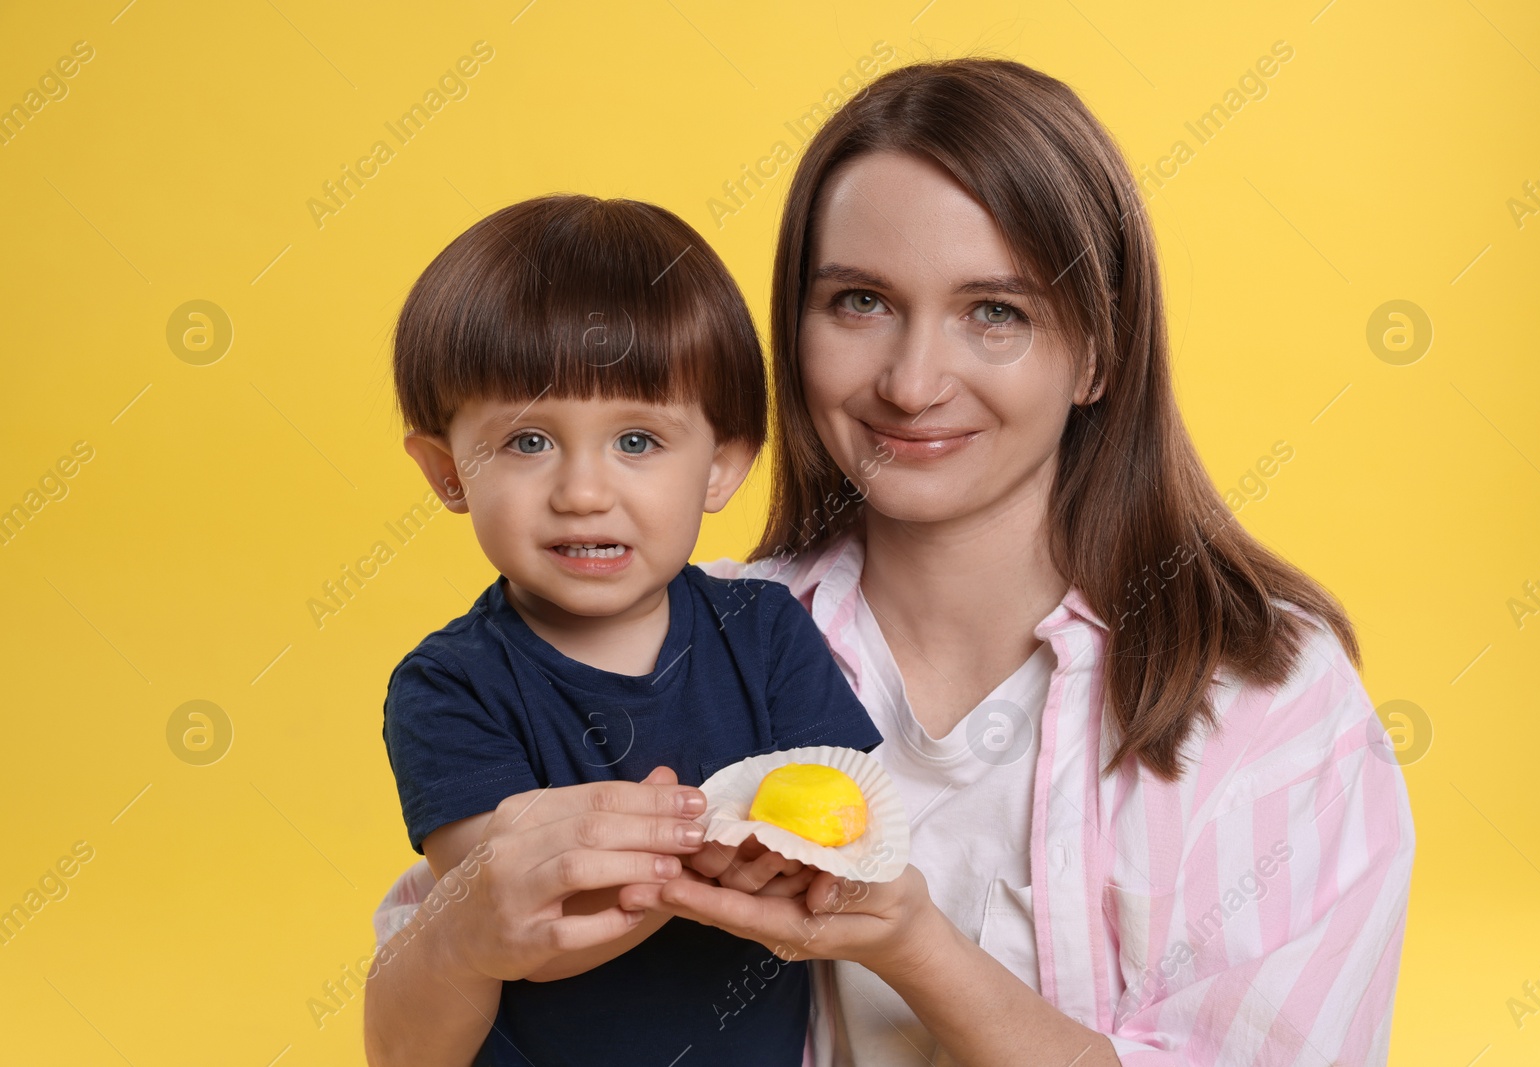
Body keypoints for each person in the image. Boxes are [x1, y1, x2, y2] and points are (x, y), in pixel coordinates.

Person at [370, 58, 1416, 1066]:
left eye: (993, 312)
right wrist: (464, 937)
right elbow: (443, 999)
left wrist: (913, 942)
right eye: (859, 302)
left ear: (1097, 350)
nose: (914, 382)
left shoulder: (1266, 699)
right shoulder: (670, 632)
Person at [371, 193, 883, 1066]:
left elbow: (848, 828)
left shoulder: (767, 638)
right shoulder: (449, 685)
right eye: (528, 441)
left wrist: (785, 861)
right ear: (448, 470)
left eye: (638, 441)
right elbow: (513, 916)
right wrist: (700, 859)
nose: (583, 490)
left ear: (722, 464)